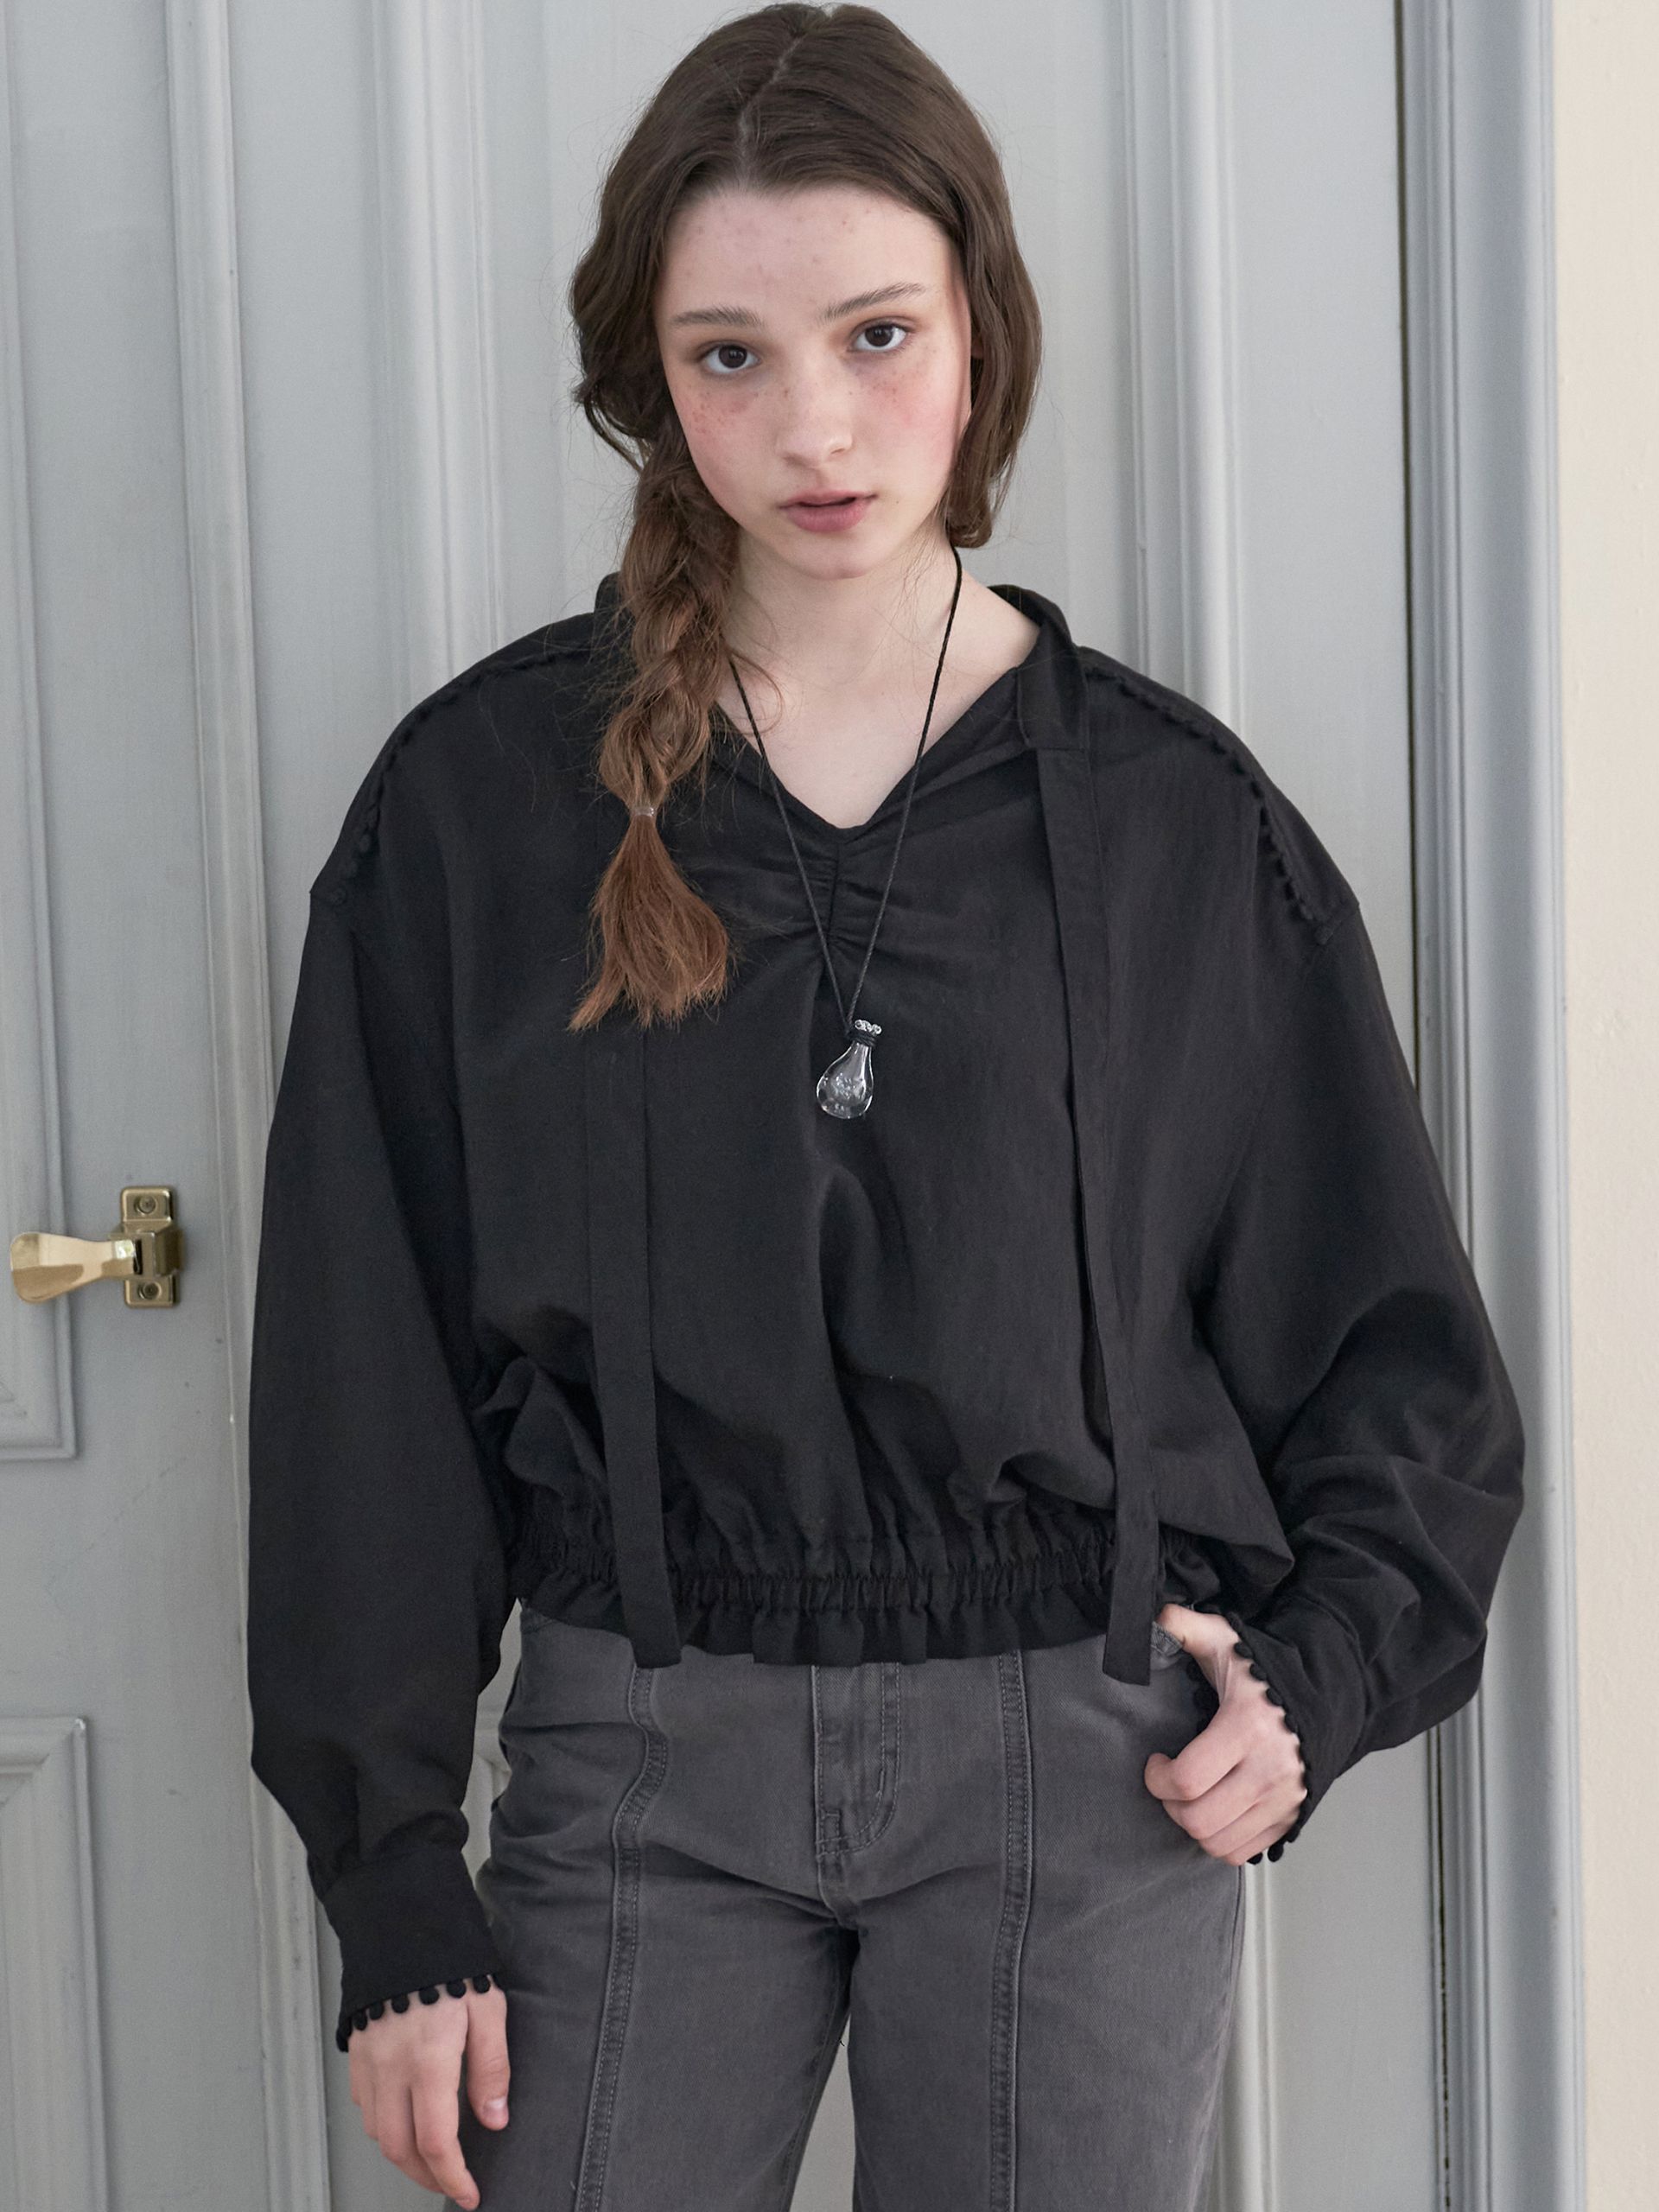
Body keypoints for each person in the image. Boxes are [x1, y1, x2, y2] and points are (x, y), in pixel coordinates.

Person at [244, 6, 1527, 2208]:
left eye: (877, 333)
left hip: (1084, 1772)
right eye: (730, 355)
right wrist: (391, 1876)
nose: (817, 425)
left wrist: (1316, 1679)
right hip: (637, 1754)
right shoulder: (485, 807)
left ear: (981, 330)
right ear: (650, 376)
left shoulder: (1173, 825)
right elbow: (367, 1368)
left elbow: (1396, 1346)